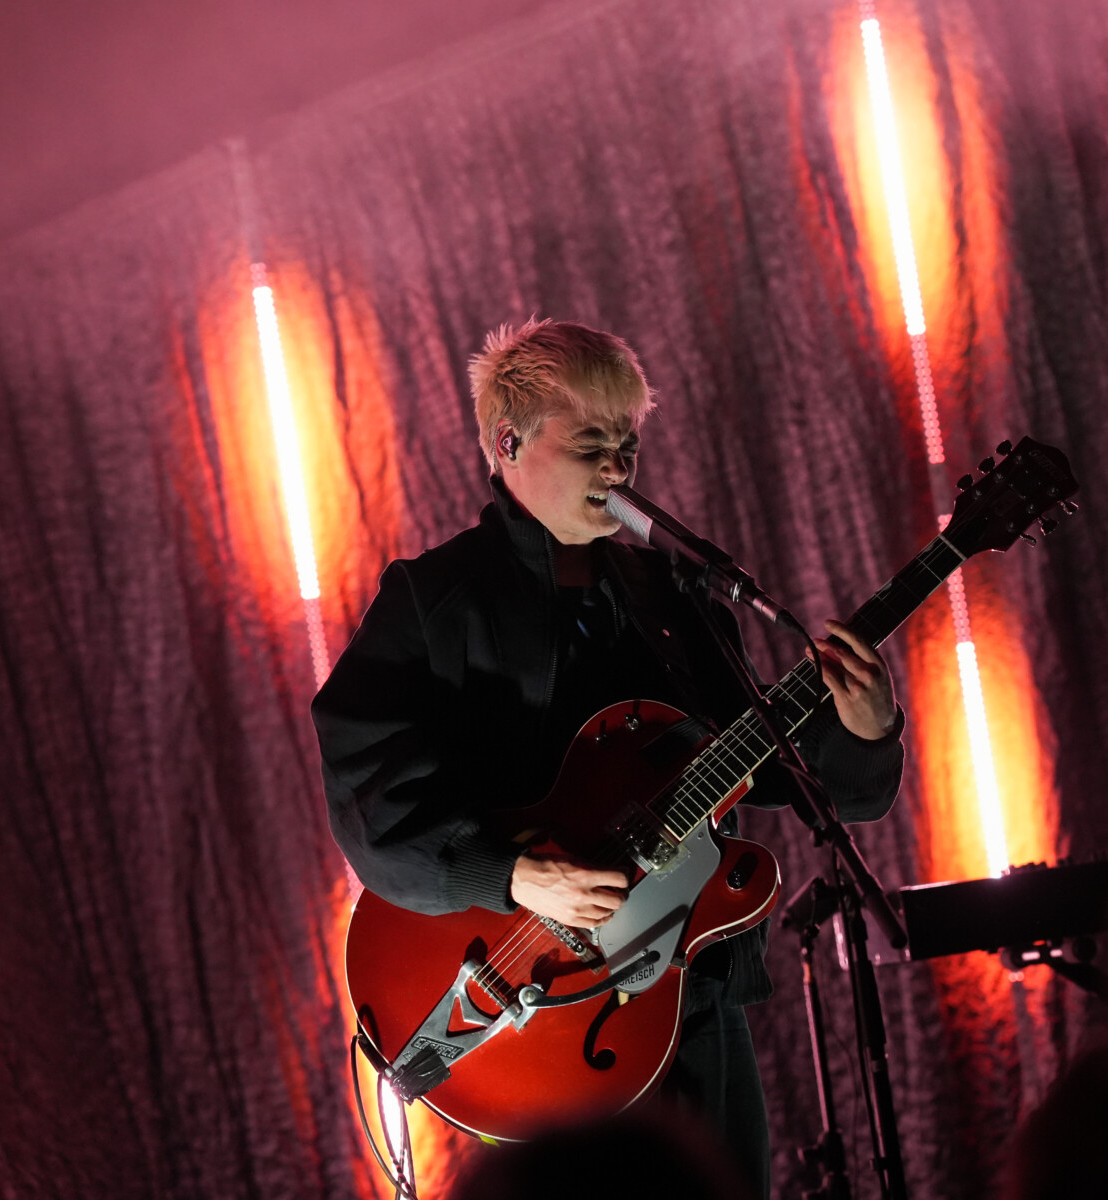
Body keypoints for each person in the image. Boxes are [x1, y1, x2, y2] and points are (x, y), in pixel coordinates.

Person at [313, 318, 905, 1199]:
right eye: (592, 443)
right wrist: (512, 875)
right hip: (537, 1008)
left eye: (627, 444)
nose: (619, 468)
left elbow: (797, 778)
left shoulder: (670, 597)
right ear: (508, 443)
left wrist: (864, 729)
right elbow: (368, 798)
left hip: (686, 993)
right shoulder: (434, 601)